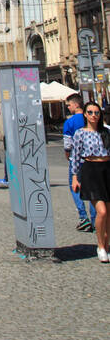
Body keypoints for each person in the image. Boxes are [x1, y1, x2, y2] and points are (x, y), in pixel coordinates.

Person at [70, 102, 110, 263]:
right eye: (90, 112)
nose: (94, 115)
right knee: (102, 212)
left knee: (109, 214)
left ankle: (107, 246)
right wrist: (74, 176)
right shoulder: (80, 133)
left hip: (107, 169)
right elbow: (76, 155)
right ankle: (100, 246)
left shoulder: (106, 131)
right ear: (85, 114)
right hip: (91, 171)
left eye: (96, 112)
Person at [64, 95, 97, 232]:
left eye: (69, 105)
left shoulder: (70, 122)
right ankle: (96, 220)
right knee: (93, 190)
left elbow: (67, 145)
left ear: (76, 105)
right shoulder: (89, 118)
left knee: (75, 188)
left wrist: (68, 157)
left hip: (76, 161)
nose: (68, 108)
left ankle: (83, 217)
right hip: (92, 160)